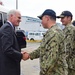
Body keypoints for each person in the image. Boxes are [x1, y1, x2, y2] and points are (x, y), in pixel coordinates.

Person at [25, 9, 68, 75]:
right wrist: (29, 55)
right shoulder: (51, 32)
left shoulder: (54, 33)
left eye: (42, 19)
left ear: (47, 18)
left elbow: (52, 58)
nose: (41, 22)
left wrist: (43, 72)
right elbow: (42, 49)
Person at [0, 10, 28, 75]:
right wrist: (21, 55)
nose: (20, 20)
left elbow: (8, 47)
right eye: (19, 17)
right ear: (12, 16)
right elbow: (7, 49)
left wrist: (19, 52)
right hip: (8, 69)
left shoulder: (9, 28)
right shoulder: (7, 28)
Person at [57, 10, 75, 75]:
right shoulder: (66, 29)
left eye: (63, 18)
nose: (61, 20)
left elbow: (67, 49)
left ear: (69, 18)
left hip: (70, 65)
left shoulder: (70, 30)